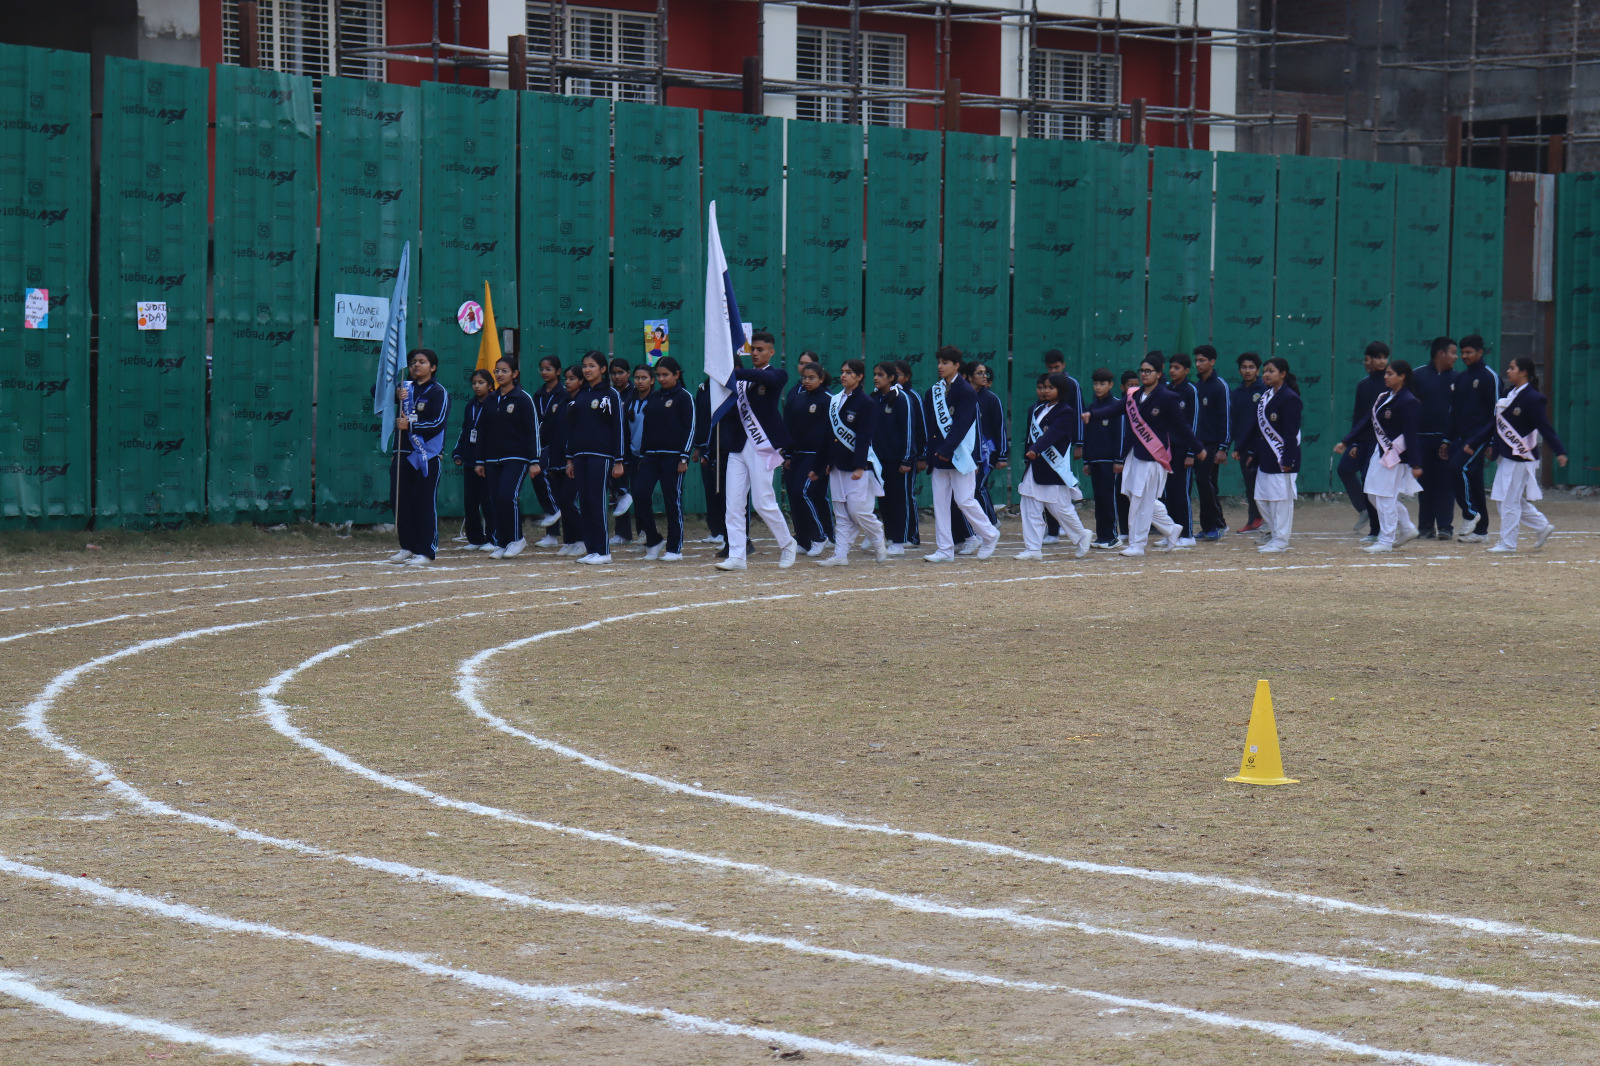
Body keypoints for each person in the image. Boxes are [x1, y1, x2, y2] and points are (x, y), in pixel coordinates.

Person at [1463, 356, 1568, 553]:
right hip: (1506, 455)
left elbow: (1545, 427)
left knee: (1508, 500)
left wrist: (1559, 451)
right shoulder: (1508, 393)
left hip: (1521, 456)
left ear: (1523, 372)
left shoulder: (1533, 398)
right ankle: (1541, 526)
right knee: (1511, 498)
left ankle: (1508, 543)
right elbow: (1494, 424)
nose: (1508, 371)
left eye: (1512, 368)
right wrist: (1474, 442)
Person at [716, 329, 798, 571]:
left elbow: (766, 380)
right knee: (733, 505)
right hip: (738, 446)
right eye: (753, 349)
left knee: (763, 502)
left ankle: (788, 544)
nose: (755, 354)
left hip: (762, 447)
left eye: (760, 350)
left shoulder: (778, 374)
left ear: (771, 352)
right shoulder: (740, 381)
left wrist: (729, 372)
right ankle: (737, 556)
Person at [1118, 353, 1207, 557]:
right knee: (1135, 495)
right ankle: (1170, 528)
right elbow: (1118, 410)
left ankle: (1138, 544)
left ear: (1158, 373)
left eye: (1148, 371)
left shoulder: (1168, 396)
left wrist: (1196, 448)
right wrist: (1092, 414)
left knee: (1143, 499)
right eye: (1142, 370)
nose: (1144, 374)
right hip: (1135, 454)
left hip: (1156, 455)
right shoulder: (1136, 395)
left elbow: (1184, 425)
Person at [1336, 359, 1424, 554]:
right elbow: (1367, 421)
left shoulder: (1408, 400)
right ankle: (1407, 527)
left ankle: (1386, 540)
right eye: (1386, 373)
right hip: (1380, 451)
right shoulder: (1384, 397)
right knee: (1373, 494)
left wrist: (1416, 463)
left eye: (1390, 374)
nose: (1386, 376)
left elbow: (1411, 434)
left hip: (1395, 455)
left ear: (1402, 377)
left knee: (1385, 496)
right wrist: (1346, 441)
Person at [921, 345, 1000, 562]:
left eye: (945, 363)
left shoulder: (966, 391)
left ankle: (989, 534)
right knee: (940, 503)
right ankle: (945, 549)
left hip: (960, 455)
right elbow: (930, 425)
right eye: (939, 362)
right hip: (938, 456)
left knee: (964, 500)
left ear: (956, 366)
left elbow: (962, 424)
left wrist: (947, 450)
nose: (940, 366)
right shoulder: (933, 391)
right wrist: (931, 453)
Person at [816, 359, 886, 566]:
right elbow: (827, 435)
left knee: (858, 511)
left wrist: (859, 465)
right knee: (840, 512)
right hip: (836, 465)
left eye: (849, 372)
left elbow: (864, 436)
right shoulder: (835, 400)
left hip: (857, 466)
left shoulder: (866, 403)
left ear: (859, 376)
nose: (844, 375)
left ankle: (877, 537)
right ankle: (840, 555)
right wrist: (822, 463)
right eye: (842, 371)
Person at [1015, 371, 1092, 560]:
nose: (1046, 391)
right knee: (1029, 504)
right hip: (1034, 466)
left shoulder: (1066, 411)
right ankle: (1033, 548)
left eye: (1051, 388)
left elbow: (1053, 434)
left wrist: (1036, 449)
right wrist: (1029, 455)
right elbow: (1029, 437)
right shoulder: (1036, 409)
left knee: (1060, 508)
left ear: (1061, 389)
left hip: (1053, 467)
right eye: (1043, 387)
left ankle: (1082, 536)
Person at [472, 354, 540, 560]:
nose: (500, 374)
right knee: (495, 500)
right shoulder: (490, 400)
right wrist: (480, 460)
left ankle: (517, 538)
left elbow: (532, 431)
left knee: (507, 496)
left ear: (515, 373)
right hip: (492, 460)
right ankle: (502, 542)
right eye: (497, 371)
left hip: (517, 458)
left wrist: (535, 460)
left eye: (505, 371)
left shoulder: (523, 399)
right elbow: (482, 432)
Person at [388, 347, 450, 566]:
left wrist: (411, 425)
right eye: (413, 361)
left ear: (433, 367)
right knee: (400, 502)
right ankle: (408, 546)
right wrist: (394, 394)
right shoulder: (404, 387)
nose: (416, 365)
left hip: (426, 456)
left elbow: (438, 423)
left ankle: (426, 550)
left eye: (422, 362)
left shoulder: (438, 392)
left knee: (423, 502)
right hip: (402, 454)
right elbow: (376, 392)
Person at [1235, 356, 1303, 553]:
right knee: (1262, 499)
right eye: (1265, 371)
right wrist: (1243, 448)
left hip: (1283, 458)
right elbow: (1256, 428)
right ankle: (1274, 533)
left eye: (1271, 371)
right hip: (1265, 457)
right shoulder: (1265, 397)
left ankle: (1281, 540)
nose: (1266, 374)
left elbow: (1291, 433)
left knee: (1281, 501)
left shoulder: (1290, 398)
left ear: (1283, 374)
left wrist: (1288, 459)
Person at [632, 356, 696, 561]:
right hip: (650, 457)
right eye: (658, 375)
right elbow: (647, 428)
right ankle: (653, 539)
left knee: (672, 501)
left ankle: (674, 548)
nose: (661, 379)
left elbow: (689, 428)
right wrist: (643, 455)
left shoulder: (684, 397)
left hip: (673, 457)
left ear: (676, 375)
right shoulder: (654, 397)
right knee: (639, 494)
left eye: (665, 375)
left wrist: (684, 458)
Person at [565, 350, 626, 564]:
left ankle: (603, 551)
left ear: (602, 369)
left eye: (592, 366)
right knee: (585, 503)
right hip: (580, 456)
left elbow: (618, 428)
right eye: (584, 366)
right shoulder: (581, 395)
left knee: (597, 502)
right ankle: (591, 549)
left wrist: (619, 460)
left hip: (601, 455)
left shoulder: (610, 394)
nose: (587, 370)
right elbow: (572, 429)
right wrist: (570, 458)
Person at [1336, 342, 1390, 543]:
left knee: (1370, 480)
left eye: (1384, 357)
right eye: (1378, 357)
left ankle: (1376, 530)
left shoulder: (1389, 383)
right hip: (1362, 440)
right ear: (1368, 360)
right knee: (1344, 469)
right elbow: (1359, 416)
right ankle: (1364, 509)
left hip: (1380, 442)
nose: (1382, 361)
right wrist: (1355, 443)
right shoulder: (1363, 384)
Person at [783, 360, 836, 556]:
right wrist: (787, 454)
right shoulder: (797, 398)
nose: (807, 381)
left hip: (816, 456)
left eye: (812, 378)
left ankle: (821, 536)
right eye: (804, 377)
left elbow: (833, 432)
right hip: (796, 455)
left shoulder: (829, 400)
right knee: (794, 495)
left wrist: (829, 459)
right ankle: (803, 540)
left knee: (803, 492)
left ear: (821, 379)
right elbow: (788, 427)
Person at [1449, 334, 1497, 542]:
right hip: (1462, 437)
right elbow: (1454, 411)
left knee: (1457, 467)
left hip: (1480, 437)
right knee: (1475, 481)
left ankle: (1470, 513)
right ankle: (1481, 531)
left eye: (1469, 352)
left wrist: (1492, 441)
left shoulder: (1489, 377)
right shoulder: (1461, 378)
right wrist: (1447, 439)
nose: (1464, 356)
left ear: (1480, 352)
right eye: (1463, 352)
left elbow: (1497, 413)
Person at [1411, 336, 1458, 539]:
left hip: (1447, 441)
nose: (1456, 357)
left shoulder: (1458, 379)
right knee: (1424, 485)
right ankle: (1425, 527)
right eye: (1453, 353)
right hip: (1422, 439)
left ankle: (1445, 527)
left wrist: (1450, 438)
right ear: (1440, 353)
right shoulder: (1417, 376)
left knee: (1446, 484)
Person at [872, 361, 917, 556]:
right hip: (878, 460)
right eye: (875, 374)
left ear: (891, 378)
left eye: (880, 375)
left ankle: (900, 540)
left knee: (899, 500)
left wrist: (907, 459)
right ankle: (890, 537)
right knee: (884, 500)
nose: (876, 378)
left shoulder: (901, 398)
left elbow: (909, 430)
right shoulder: (874, 398)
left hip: (897, 460)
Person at [1078, 368, 1125, 549]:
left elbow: (1120, 434)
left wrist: (1119, 460)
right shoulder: (1091, 407)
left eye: (1102, 384)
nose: (1098, 387)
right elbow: (1088, 435)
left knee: (1109, 498)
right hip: (1095, 460)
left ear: (1111, 385)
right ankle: (1102, 535)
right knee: (1099, 499)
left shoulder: (1116, 405)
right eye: (1096, 384)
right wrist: (1087, 461)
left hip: (1110, 461)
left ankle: (1112, 536)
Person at [451, 367, 495, 551]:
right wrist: (458, 452)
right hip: (470, 458)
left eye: (481, 383)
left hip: (487, 460)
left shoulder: (494, 403)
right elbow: (466, 430)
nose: (477, 386)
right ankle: (475, 539)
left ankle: (493, 538)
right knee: (470, 501)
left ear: (490, 385)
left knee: (488, 500)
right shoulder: (471, 405)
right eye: (474, 383)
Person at [1191, 345, 1231, 540]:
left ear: (1212, 362)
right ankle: (1207, 527)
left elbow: (1226, 418)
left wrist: (1223, 447)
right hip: (1197, 444)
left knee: (1205, 480)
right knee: (1203, 483)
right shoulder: (1196, 386)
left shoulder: (1220, 386)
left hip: (1212, 444)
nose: (1198, 364)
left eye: (1202, 360)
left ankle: (1219, 523)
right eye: (1196, 360)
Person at [1162, 352, 1201, 546]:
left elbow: (1193, 423)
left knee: (1181, 491)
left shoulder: (1191, 391)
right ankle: (1171, 533)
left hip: (1183, 449)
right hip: (1166, 449)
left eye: (1177, 368)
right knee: (1168, 491)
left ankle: (1187, 535)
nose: (1172, 371)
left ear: (1186, 370)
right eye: (1171, 367)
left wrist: (1191, 452)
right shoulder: (1166, 390)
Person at [692, 378, 731, 555]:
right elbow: (701, 419)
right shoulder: (703, 389)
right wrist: (698, 447)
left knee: (723, 491)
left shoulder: (728, 387)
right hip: (705, 446)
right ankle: (716, 530)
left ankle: (726, 531)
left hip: (723, 447)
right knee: (710, 489)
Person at [549, 366, 585, 556]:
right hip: (558, 459)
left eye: (572, 378)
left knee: (569, 500)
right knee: (562, 502)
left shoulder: (583, 401)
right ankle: (569, 540)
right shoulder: (562, 402)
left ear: (581, 381)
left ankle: (582, 539)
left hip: (575, 459)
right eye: (566, 378)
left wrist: (572, 457)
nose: (567, 382)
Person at [1230, 352, 1267, 533]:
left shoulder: (1265, 390)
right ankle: (1254, 519)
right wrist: (1235, 447)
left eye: (1251, 367)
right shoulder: (1236, 394)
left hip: (1263, 447)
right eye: (1244, 367)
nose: (1247, 371)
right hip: (1244, 447)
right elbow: (1233, 422)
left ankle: (1266, 520)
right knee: (1250, 484)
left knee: (1264, 485)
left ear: (1258, 370)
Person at [530, 356, 564, 536]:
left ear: (558, 371)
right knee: (542, 478)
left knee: (546, 477)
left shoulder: (563, 394)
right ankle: (552, 534)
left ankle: (554, 512)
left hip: (558, 445)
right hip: (541, 444)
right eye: (542, 369)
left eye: (548, 369)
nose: (544, 372)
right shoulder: (538, 395)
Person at [893, 359, 925, 546]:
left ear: (907, 377)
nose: (894, 378)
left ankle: (911, 536)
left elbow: (921, 428)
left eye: (898, 375)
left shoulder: (913, 396)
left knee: (906, 496)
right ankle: (893, 534)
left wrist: (921, 456)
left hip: (908, 456)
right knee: (889, 497)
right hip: (889, 457)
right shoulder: (885, 396)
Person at [607, 357, 636, 544]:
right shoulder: (609, 394)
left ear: (628, 373)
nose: (617, 377)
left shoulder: (633, 393)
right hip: (612, 447)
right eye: (613, 373)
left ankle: (643, 532)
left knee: (633, 492)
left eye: (620, 373)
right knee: (617, 494)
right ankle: (623, 534)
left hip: (631, 449)